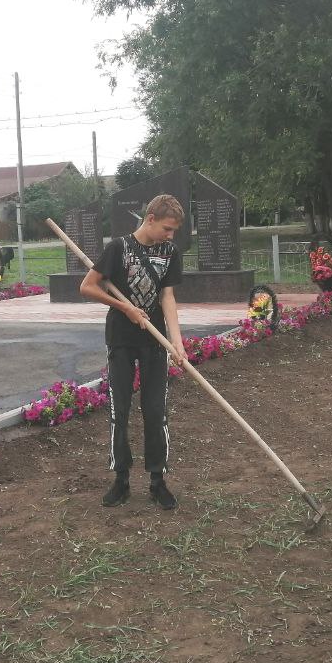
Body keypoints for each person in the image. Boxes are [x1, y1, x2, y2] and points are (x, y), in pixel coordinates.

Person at [80, 194, 188, 510]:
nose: (171, 236)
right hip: (121, 341)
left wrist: (177, 342)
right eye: (167, 228)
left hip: (155, 342)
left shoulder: (170, 252)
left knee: (155, 411)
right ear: (150, 219)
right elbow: (87, 286)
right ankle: (121, 480)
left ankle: (158, 482)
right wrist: (124, 307)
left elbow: (167, 297)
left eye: (174, 231)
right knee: (120, 411)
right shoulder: (118, 249)